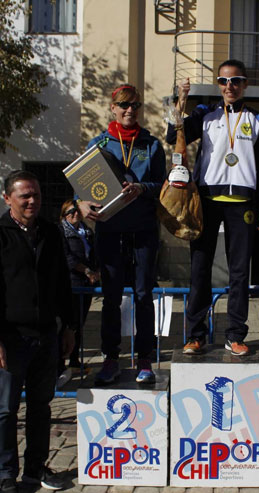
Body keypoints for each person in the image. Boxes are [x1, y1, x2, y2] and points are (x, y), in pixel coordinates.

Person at [0, 170, 75, 493]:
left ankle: (35, 468)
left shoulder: (51, 232)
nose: (32, 201)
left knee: (40, 407)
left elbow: (62, 284)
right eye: (24, 196)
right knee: (5, 410)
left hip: (45, 336)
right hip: (10, 340)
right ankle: (6, 475)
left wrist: (69, 327)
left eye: (36, 195)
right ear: (8, 199)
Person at [169, 59, 259, 356]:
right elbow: (173, 135)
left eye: (236, 80)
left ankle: (235, 335)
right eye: (224, 81)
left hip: (243, 203)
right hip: (207, 200)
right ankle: (196, 335)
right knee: (200, 269)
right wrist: (181, 101)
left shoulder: (258, 119)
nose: (230, 86)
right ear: (218, 84)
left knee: (239, 273)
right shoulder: (205, 113)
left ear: (245, 84)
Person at [78, 84, 165, 385]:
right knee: (111, 297)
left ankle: (145, 359)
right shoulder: (98, 144)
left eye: (135, 105)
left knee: (144, 295)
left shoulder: (151, 144)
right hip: (110, 228)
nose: (130, 110)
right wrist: (81, 203)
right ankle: (111, 359)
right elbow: (82, 186)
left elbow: (163, 186)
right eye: (124, 105)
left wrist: (142, 188)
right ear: (113, 108)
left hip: (143, 229)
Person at [57, 199, 99, 387]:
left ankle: (74, 360)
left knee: (79, 322)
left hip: (86, 284)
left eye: (77, 211)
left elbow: (94, 253)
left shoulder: (87, 231)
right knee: (68, 323)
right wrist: (86, 270)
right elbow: (67, 257)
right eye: (70, 212)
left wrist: (96, 271)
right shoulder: (61, 232)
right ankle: (60, 363)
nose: (75, 214)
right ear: (64, 215)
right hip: (70, 283)